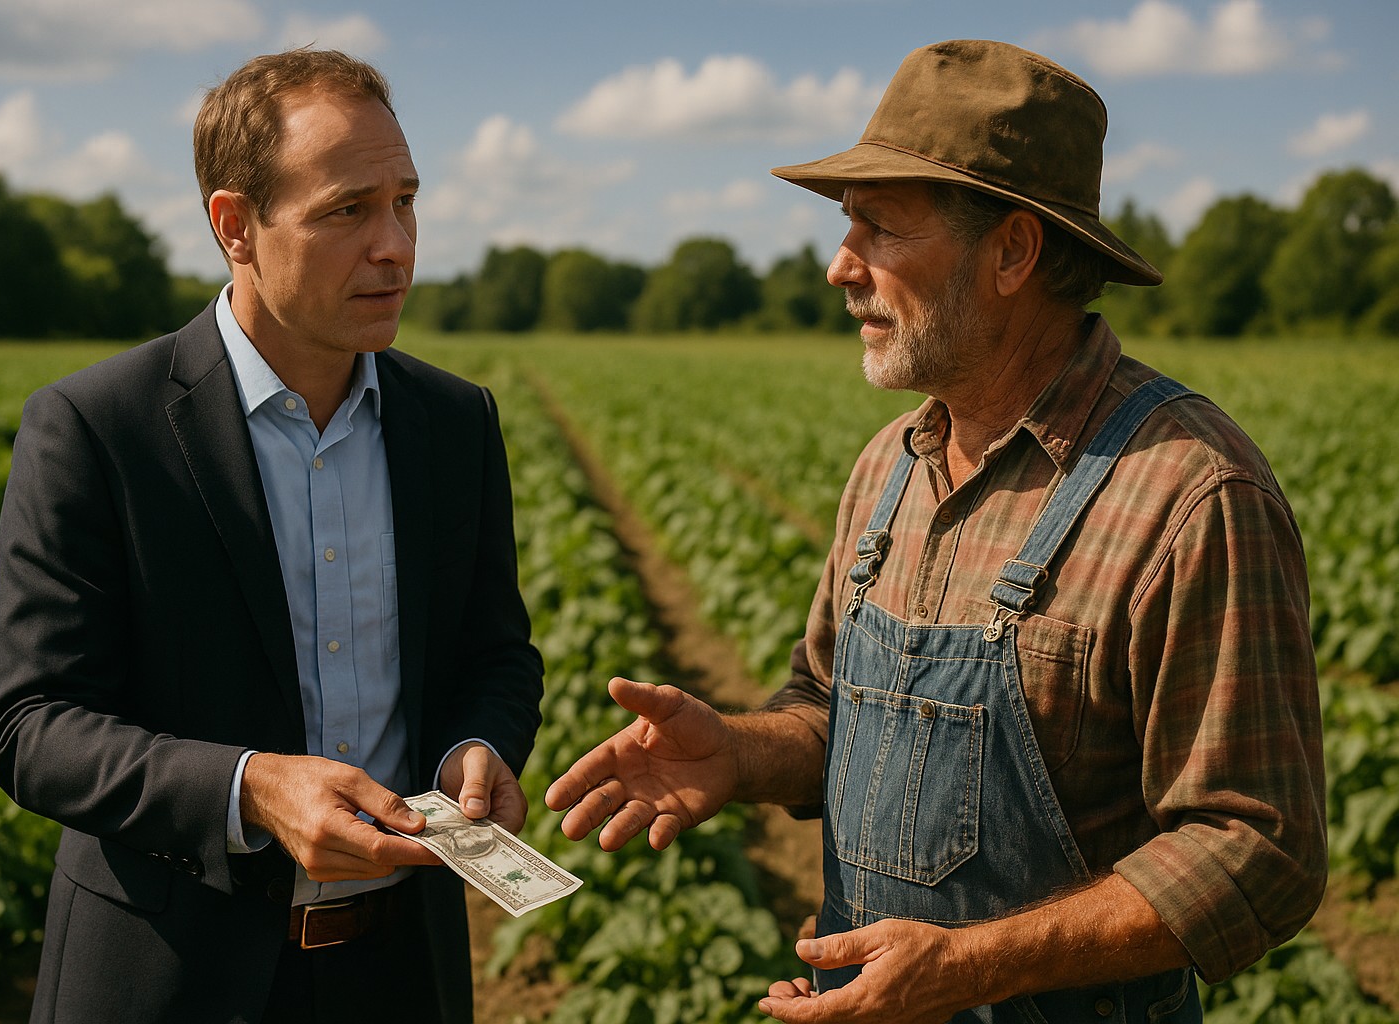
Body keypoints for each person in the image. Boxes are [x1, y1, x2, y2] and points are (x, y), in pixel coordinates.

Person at [546, 38, 1325, 1024]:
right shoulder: (888, 468)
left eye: (879, 228)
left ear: (1011, 251)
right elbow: (834, 709)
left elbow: (1257, 846)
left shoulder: (1188, 494)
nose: (840, 266)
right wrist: (740, 754)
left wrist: (979, 964)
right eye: (847, 228)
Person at [0, 49, 543, 1024]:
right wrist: (249, 789)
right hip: (166, 978)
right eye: (347, 211)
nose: (396, 247)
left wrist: (477, 743)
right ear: (235, 226)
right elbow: (35, 724)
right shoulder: (96, 427)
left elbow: (494, 653)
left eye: (405, 201)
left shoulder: (456, 425)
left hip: (400, 972)